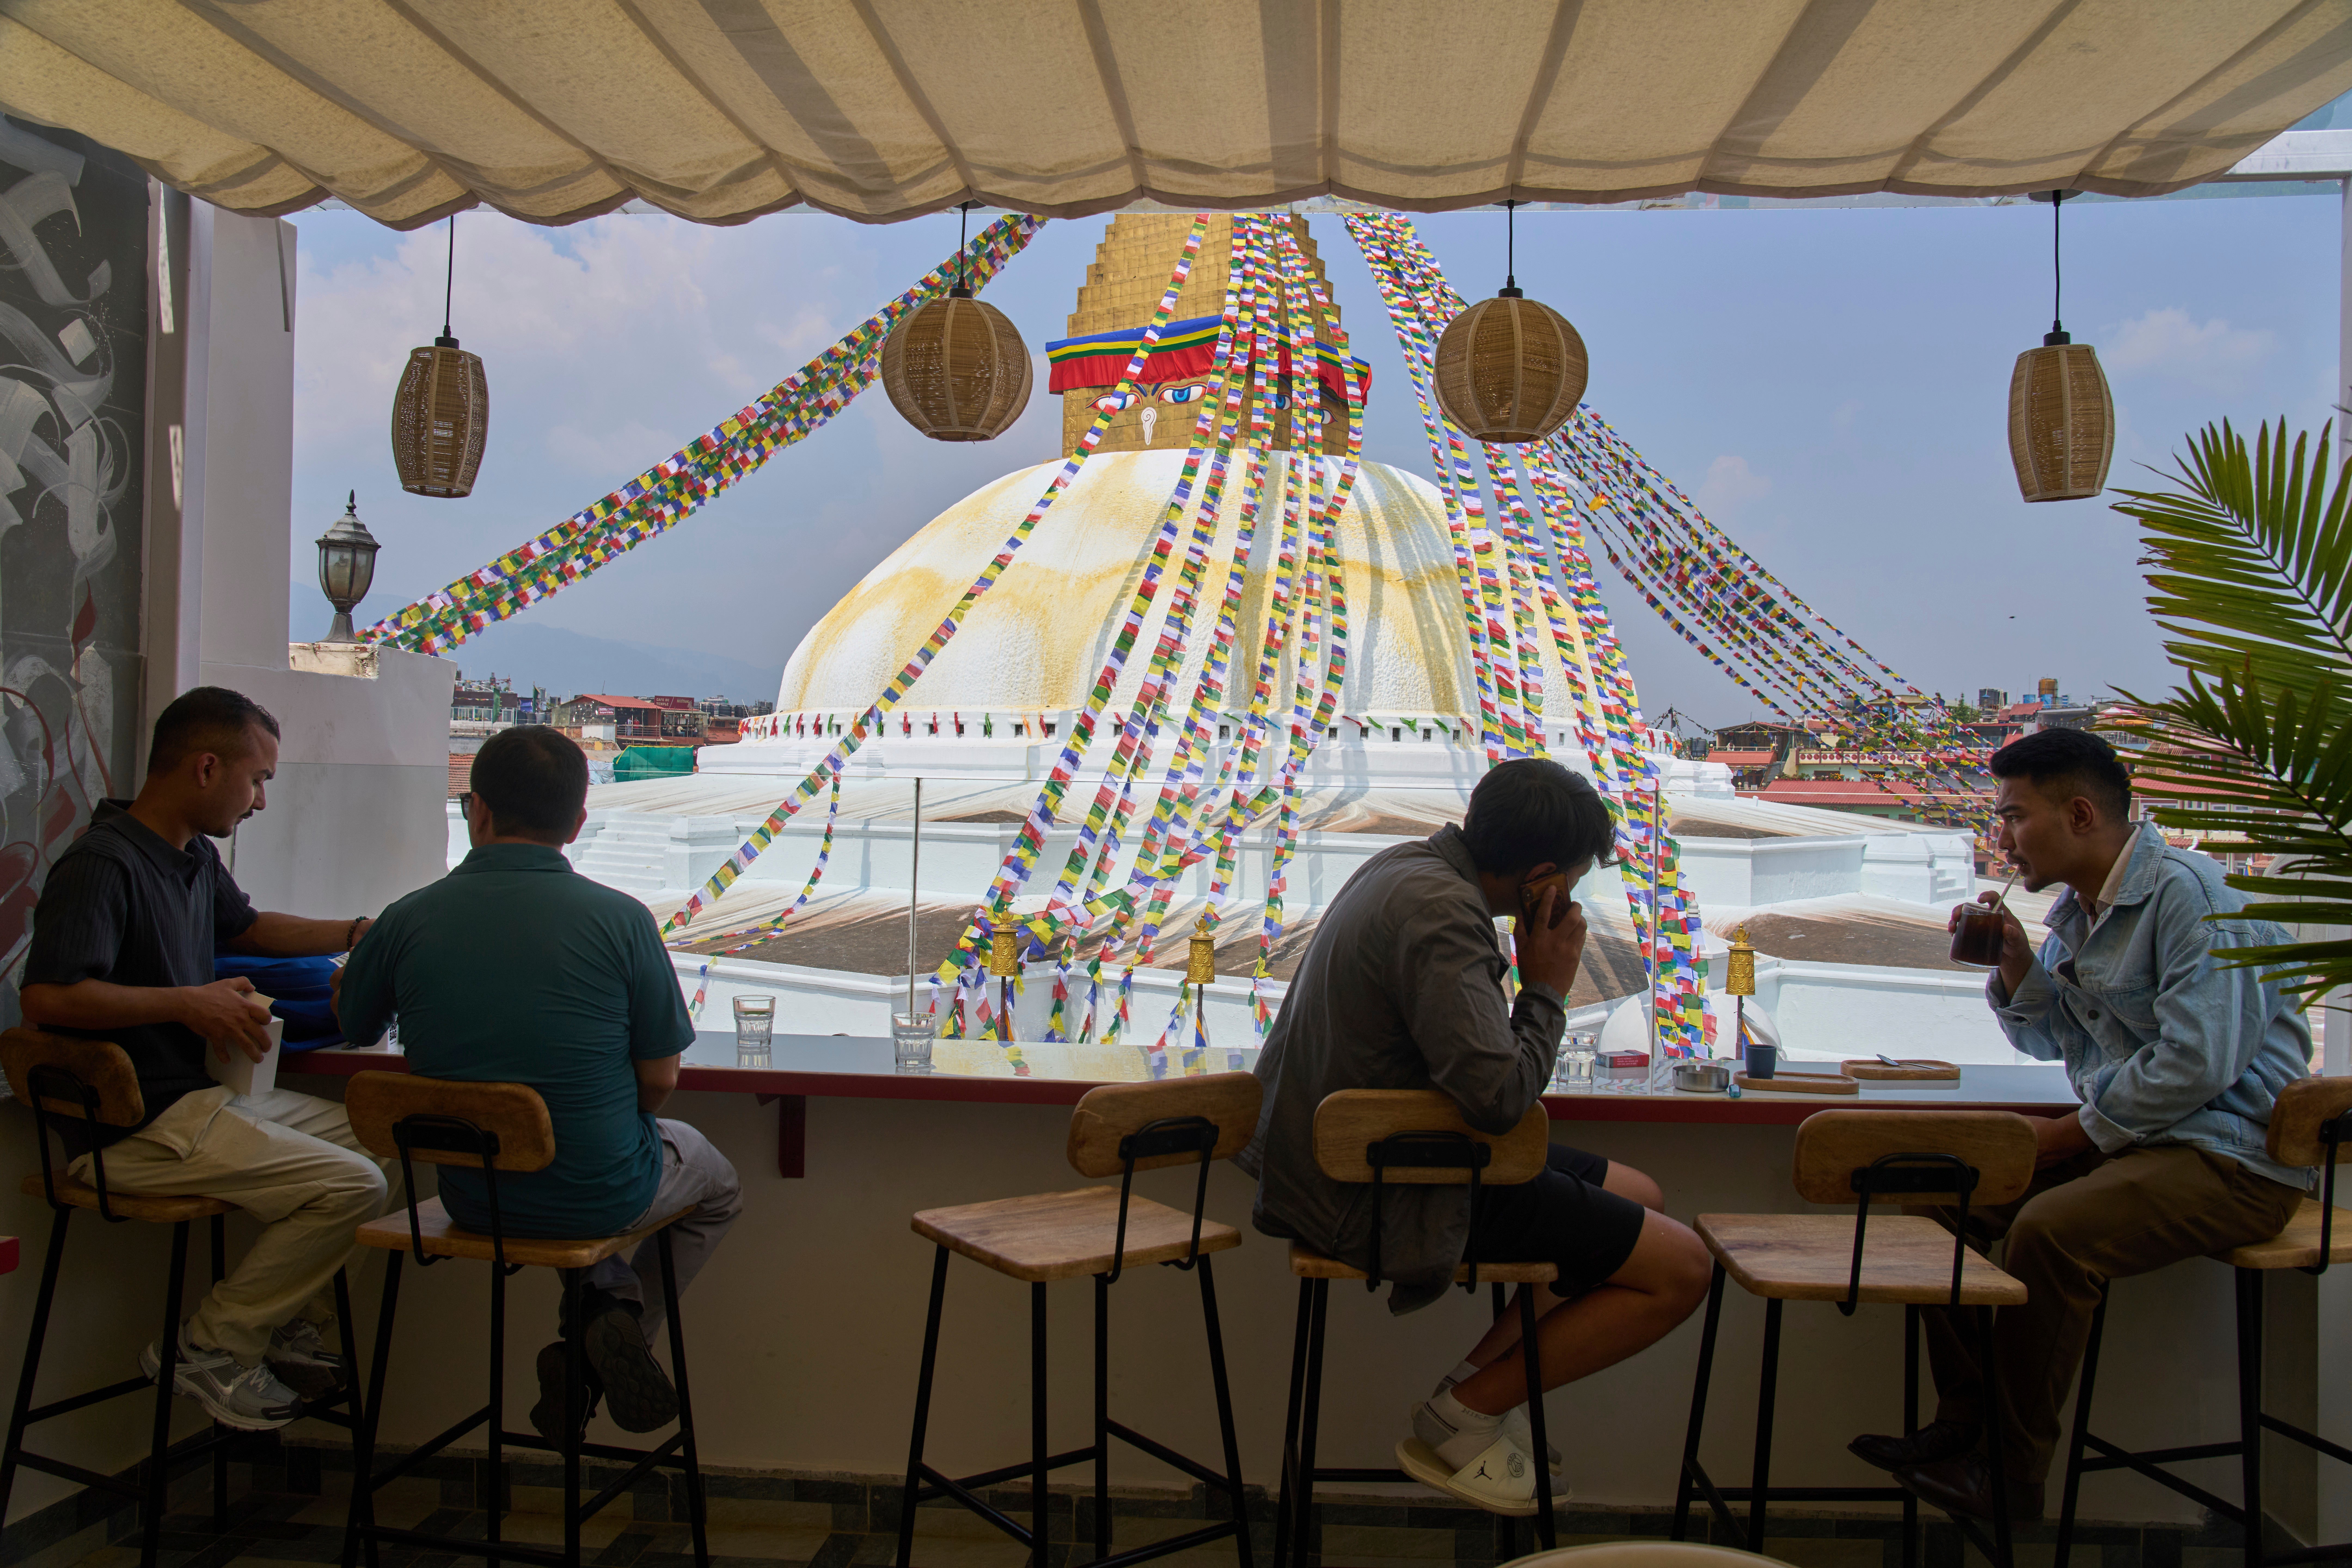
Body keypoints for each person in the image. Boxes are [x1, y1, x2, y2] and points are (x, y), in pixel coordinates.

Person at [1850, 727, 2313, 1523]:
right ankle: (1967, 1429)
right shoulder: (2079, 912)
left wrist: (2070, 1136)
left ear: (2080, 814)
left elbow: (2198, 1067)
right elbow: (2054, 1040)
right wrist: (2018, 971)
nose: (2001, 838)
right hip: (2141, 1145)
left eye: (2014, 817)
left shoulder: (2193, 901)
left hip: (2231, 1156)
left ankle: (2009, 1478)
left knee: (2050, 1233)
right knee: (1934, 1203)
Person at [1237, 757, 1713, 1514]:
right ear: (1542, 877)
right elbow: (1500, 1101)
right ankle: (1464, 1415)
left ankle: (1475, 1392)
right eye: (1574, 883)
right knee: (1683, 1267)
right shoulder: (1442, 918)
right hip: (1383, 1187)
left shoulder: (1409, 866)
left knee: (1640, 1196)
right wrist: (1548, 986)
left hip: (1377, 1158)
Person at [335, 725, 741, 1446]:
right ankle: (611, 1335)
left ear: (477, 811)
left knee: (584, 1172)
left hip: (471, 1195)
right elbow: (660, 1079)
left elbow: (355, 1023)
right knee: (712, 1178)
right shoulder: (621, 921)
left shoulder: (406, 918)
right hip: (601, 1190)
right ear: (580, 824)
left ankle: (597, 1323)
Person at [18, 686, 393, 1430]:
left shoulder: (188, 859)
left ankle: (284, 1321)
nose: (258, 802)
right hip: (136, 1127)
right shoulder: (102, 865)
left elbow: (247, 929)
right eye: (257, 781)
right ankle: (214, 1347)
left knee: (380, 1142)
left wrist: (360, 932)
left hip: (199, 1105)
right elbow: (50, 998)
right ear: (206, 767)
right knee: (353, 1187)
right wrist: (188, 1002)